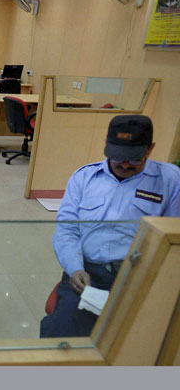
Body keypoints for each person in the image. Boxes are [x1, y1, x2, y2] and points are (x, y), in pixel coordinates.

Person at [40, 115, 180, 338]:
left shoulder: (171, 180)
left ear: (150, 149)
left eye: (134, 159)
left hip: (139, 275)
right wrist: (75, 268)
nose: (125, 164)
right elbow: (67, 230)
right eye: (118, 157)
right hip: (88, 273)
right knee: (61, 334)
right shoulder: (84, 177)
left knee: (140, 340)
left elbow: (174, 240)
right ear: (106, 144)